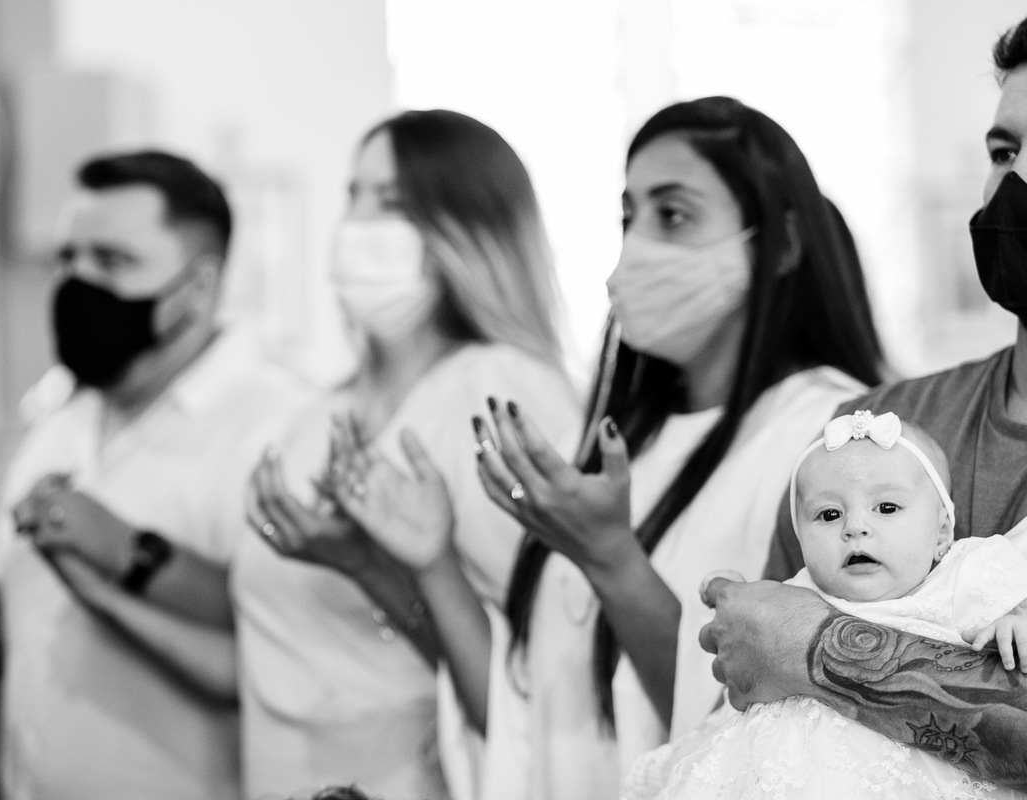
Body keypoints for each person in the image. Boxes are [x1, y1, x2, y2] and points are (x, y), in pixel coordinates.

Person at [324, 96, 886, 800]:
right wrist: (431, 564)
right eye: (630, 217)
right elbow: (521, 717)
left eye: (673, 215)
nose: (640, 244)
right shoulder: (603, 447)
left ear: (785, 244)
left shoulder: (833, 439)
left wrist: (610, 558)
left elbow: (774, 732)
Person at [699, 1, 1027, 797]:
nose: (1019, 182)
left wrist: (828, 652)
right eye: (1004, 149)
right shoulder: (872, 432)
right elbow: (754, 673)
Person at [235, 109, 578, 800]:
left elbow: (533, 684)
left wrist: (370, 566)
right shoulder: (318, 414)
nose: (357, 224)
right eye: (353, 195)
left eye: (390, 203)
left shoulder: (501, 393)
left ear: (466, 228)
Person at [0, 150, 308, 800]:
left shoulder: (278, 429)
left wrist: (119, 558)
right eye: (68, 259)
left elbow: (289, 653)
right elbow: (15, 628)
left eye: (114, 261)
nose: (78, 283)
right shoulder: (59, 421)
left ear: (199, 286)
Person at [625, 410, 1027, 800]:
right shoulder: (799, 594)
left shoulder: (960, 581)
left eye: (887, 507)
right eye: (829, 515)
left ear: (940, 533)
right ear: (800, 539)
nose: (856, 527)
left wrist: (1026, 631)